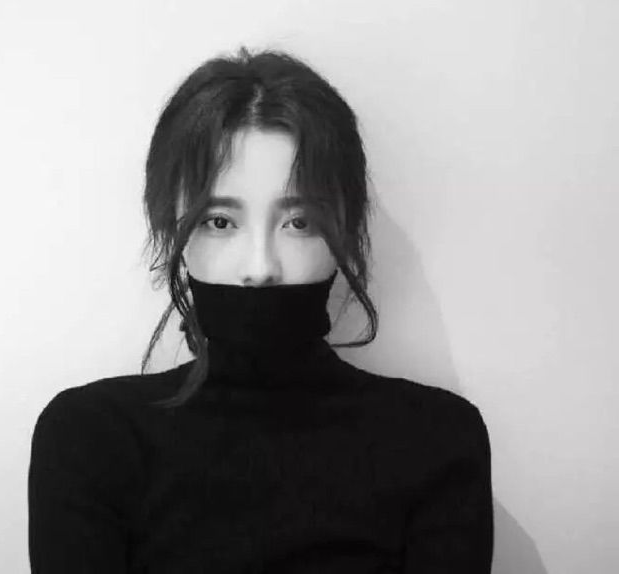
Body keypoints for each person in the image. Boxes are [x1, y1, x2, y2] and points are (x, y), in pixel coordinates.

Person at [27, 46, 494, 573]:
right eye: (220, 222)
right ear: (173, 231)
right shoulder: (92, 438)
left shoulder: (435, 441)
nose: (261, 267)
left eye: (299, 223)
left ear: (345, 230)